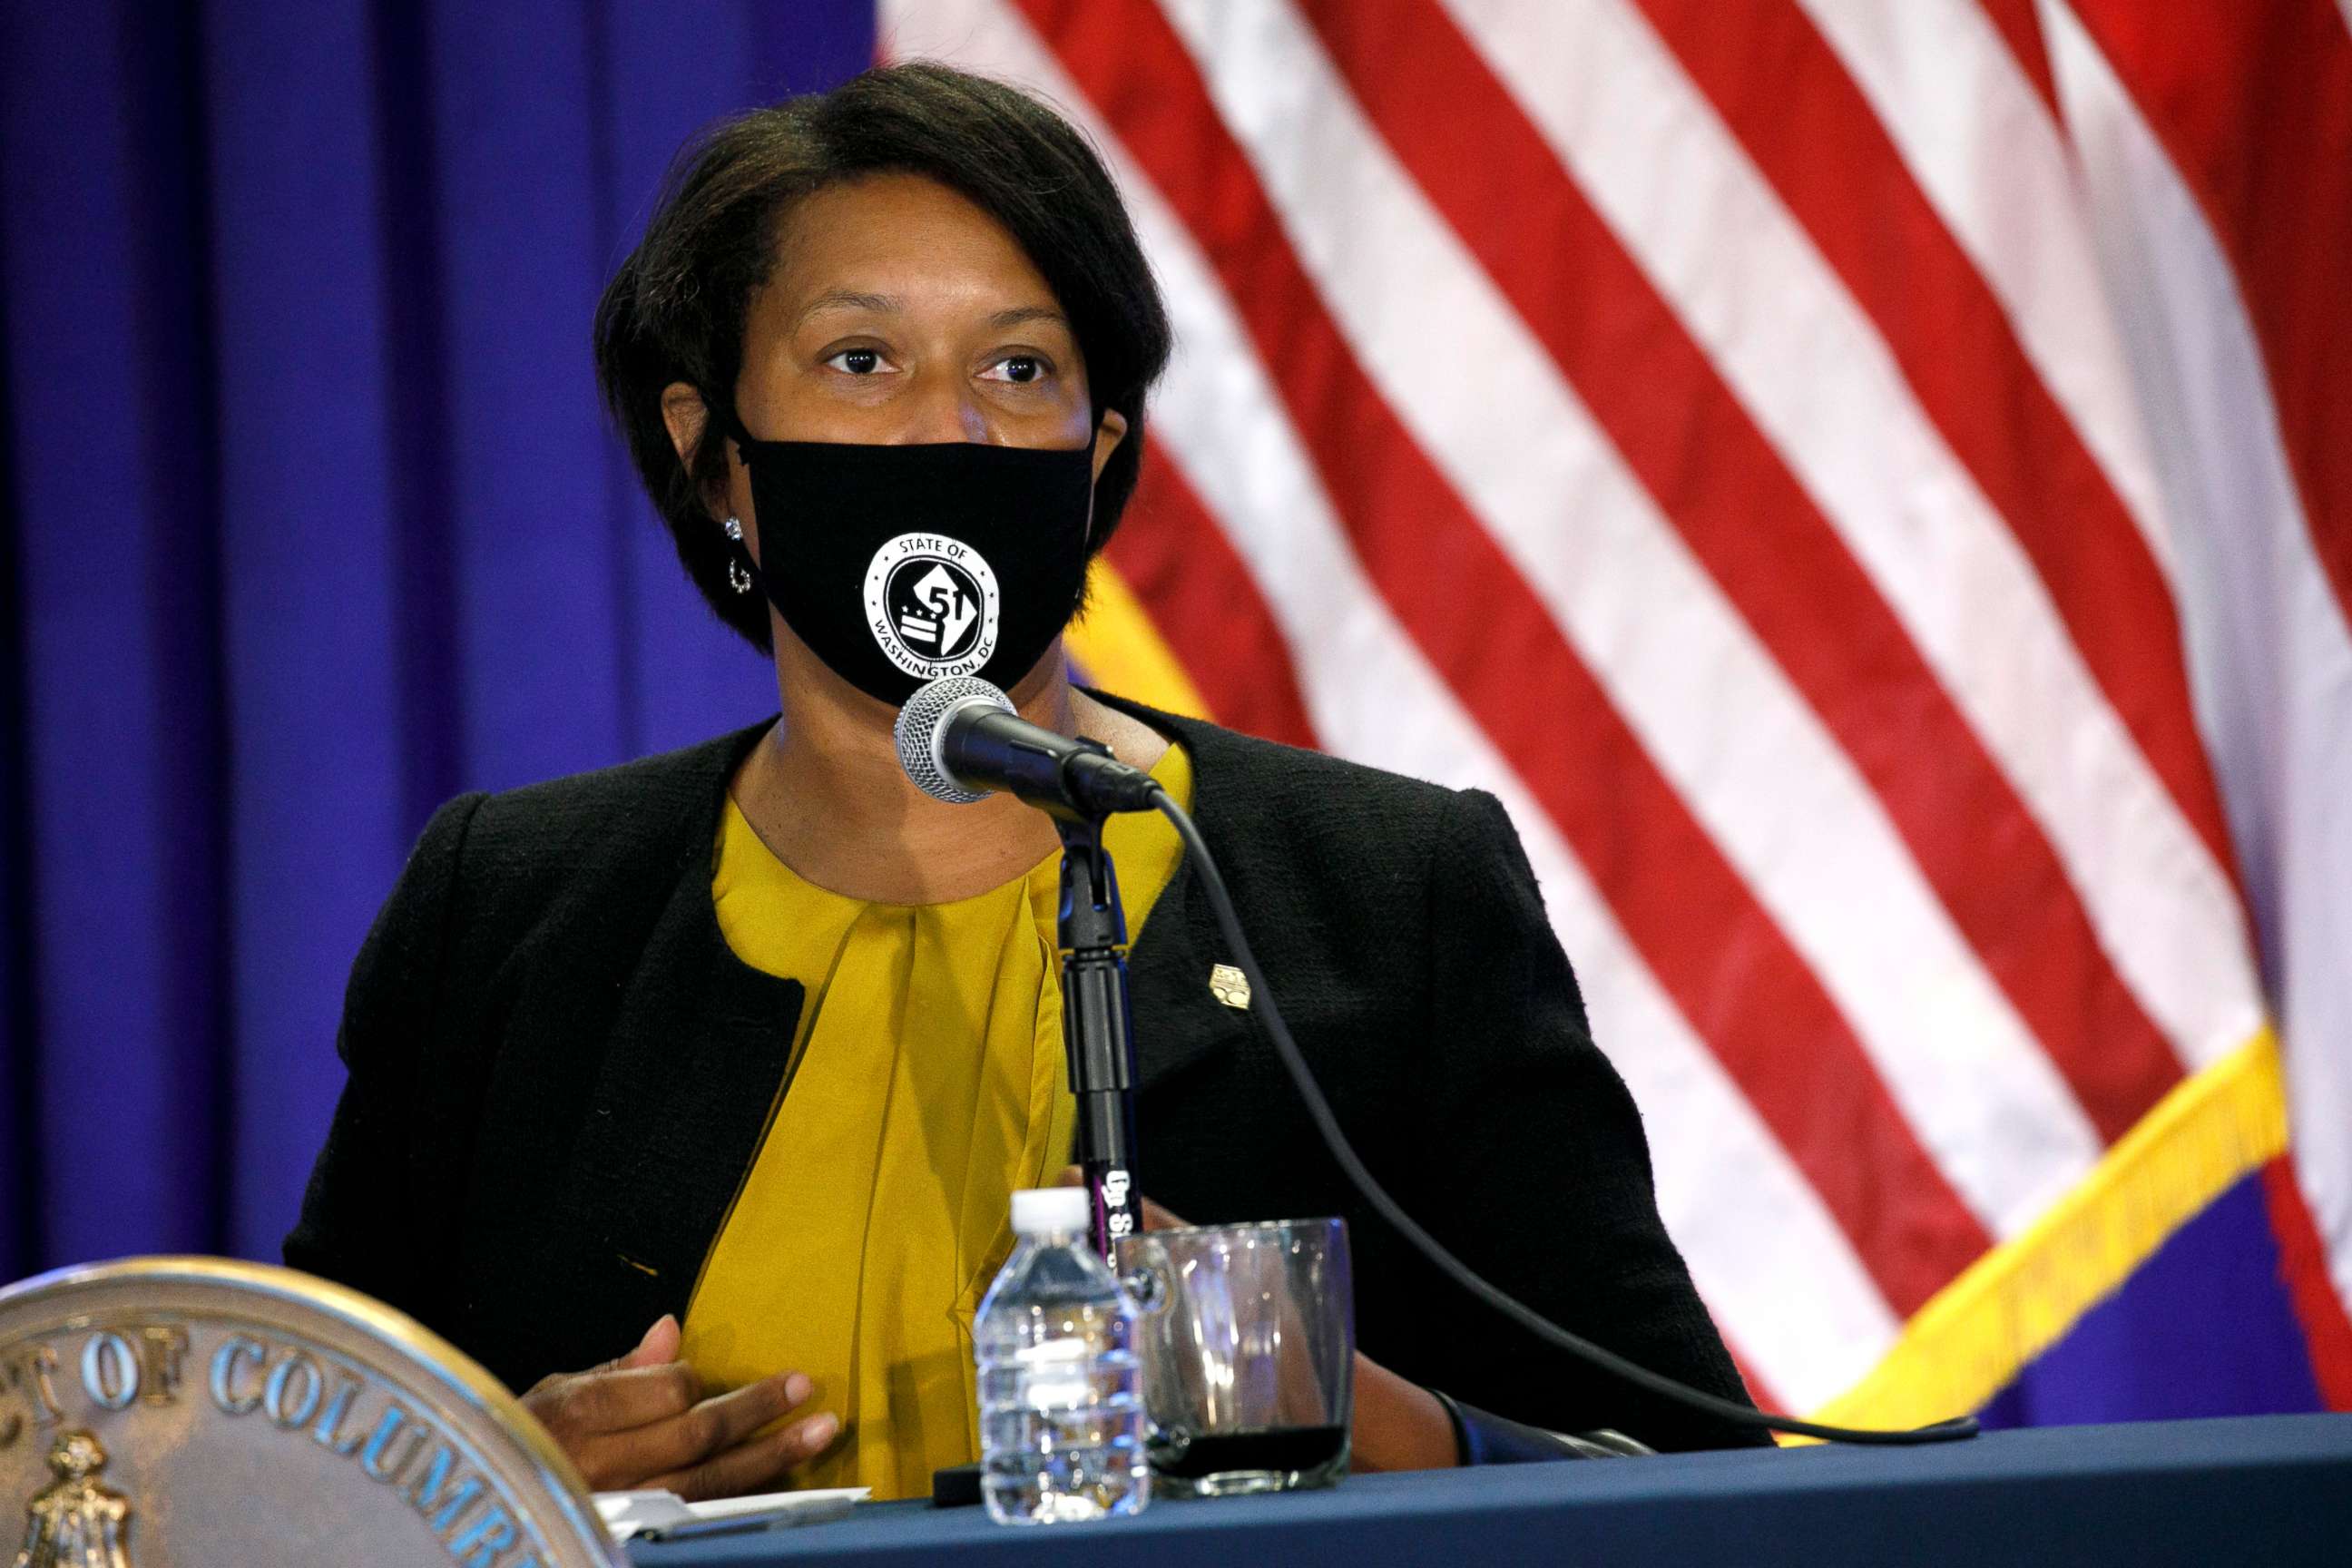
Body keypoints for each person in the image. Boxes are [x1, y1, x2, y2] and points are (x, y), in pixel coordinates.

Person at [284, 62, 1763, 1504]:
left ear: (1096, 453)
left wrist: (1342, 1407)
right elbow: (276, 1488)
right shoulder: (510, 913)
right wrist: (480, 1480)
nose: (951, 430)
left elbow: (1699, 1494)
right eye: (862, 363)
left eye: (1020, 369)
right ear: (714, 454)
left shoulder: (1386, 890)